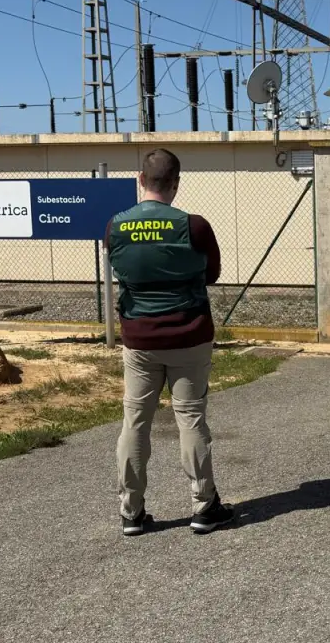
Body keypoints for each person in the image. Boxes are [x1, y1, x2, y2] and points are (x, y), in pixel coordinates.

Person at [105, 148, 234, 537]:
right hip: (189, 334)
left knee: (135, 421)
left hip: (139, 338)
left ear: (140, 179)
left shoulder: (115, 226)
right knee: (190, 418)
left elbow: (121, 269)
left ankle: (131, 512)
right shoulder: (194, 226)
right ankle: (204, 506)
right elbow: (211, 274)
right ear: (176, 183)